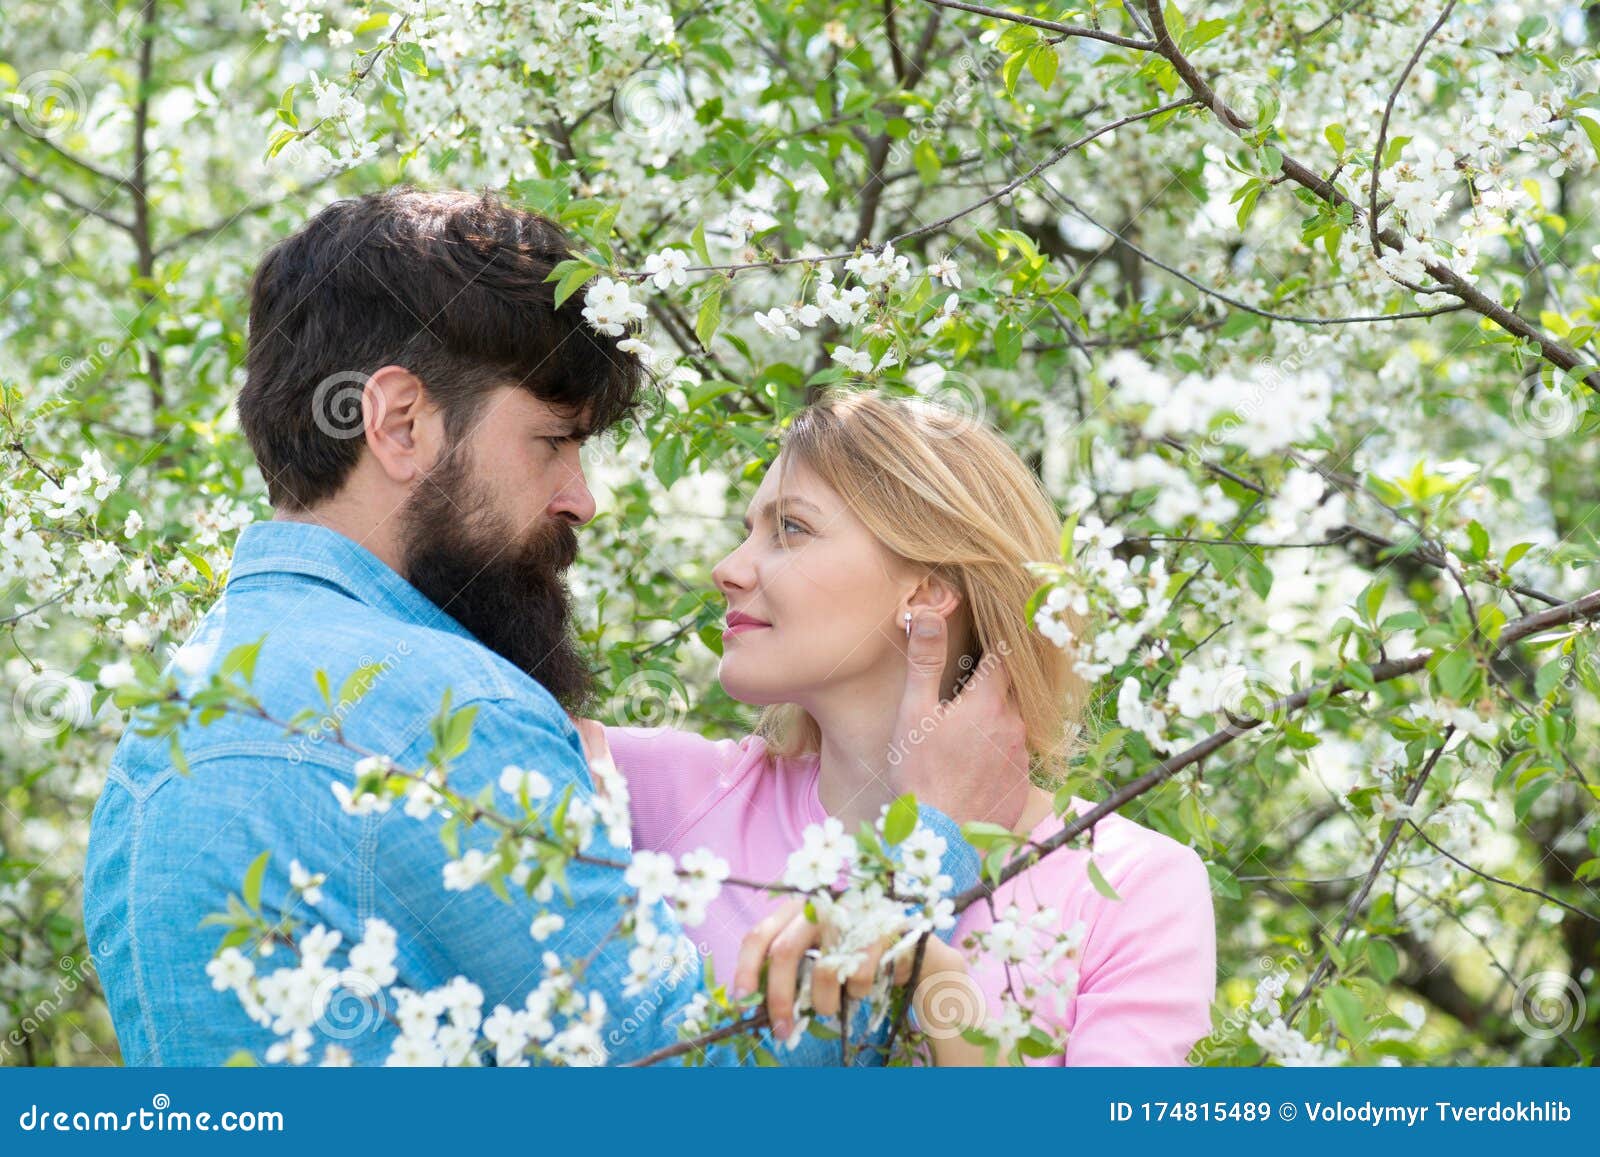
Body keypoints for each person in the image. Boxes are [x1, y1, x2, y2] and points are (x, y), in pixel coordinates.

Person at [80, 188, 998, 1067]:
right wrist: (928, 846)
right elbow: (698, 1092)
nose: (583, 498)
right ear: (400, 423)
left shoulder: (161, 726)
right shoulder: (449, 713)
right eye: (553, 441)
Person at [595, 392, 1219, 1065]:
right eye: (749, 529)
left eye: (791, 530)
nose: (729, 569)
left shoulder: (1131, 885)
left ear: (925, 591)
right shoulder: (650, 789)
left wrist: (938, 986)